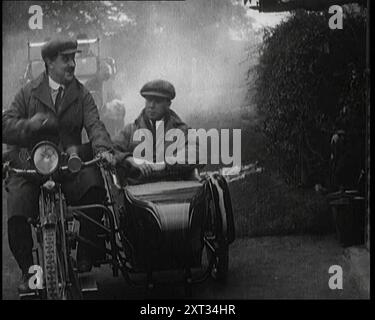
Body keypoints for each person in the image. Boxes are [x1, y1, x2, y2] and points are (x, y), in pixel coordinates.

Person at [2, 37, 116, 294]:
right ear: (49, 63)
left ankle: (85, 253)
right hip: (32, 166)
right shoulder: (27, 92)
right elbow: (6, 125)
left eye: (73, 58)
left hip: (68, 165)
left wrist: (103, 150)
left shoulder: (82, 94)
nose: (72, 64)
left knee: (94, 188)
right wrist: (28, 126)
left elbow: (95, 126)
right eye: (66, 59)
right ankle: (29, 271)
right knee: (17, 208)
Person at [113, 79, 202, 184]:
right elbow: (110, 151)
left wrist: (165, 164)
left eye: (157, 101)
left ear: (168, 103)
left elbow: (196, 152)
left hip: (175, 191)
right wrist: (130, 159)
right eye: (149, 100)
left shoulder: (181, 130)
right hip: (137, 194)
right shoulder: (131, 130)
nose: (151, 106)